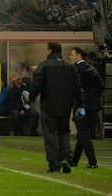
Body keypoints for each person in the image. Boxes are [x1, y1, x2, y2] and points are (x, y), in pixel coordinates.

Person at [23, 42, 85, 173]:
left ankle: (54, 165)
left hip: (49, 107)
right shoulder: (70, 66)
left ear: (50, 50)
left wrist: (30, 97)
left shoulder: (44, 66)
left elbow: (37, 85)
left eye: (47, 49)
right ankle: (66, 159)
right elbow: (78, 87)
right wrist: (81, 104)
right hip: (65, 107)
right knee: (64, 133)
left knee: (50, 135)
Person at [69, 47, 104, 169]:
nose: (70, 56)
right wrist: (92, 98)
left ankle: (93, 162)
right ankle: (74, 160)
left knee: (83, 133)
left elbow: (72, 89)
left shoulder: (74, 70)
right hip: (93, 106)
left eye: (72, 54)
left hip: (80, 107)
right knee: (84, 133)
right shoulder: (92, 69)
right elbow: (101, 86)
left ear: (79, 55)